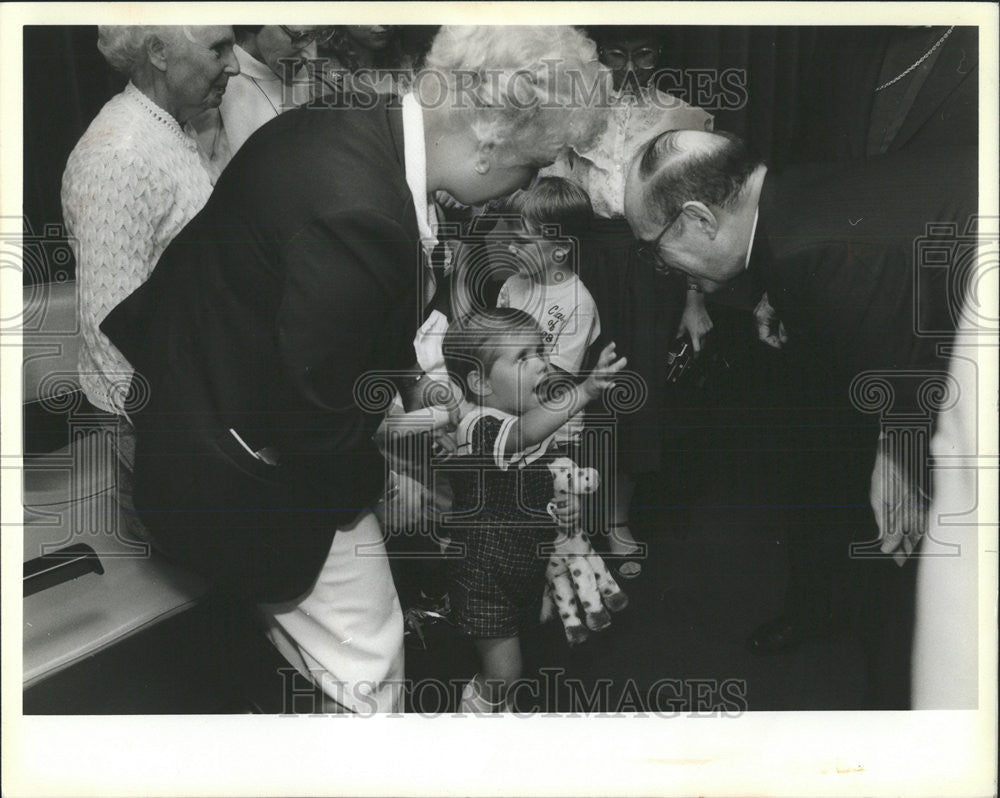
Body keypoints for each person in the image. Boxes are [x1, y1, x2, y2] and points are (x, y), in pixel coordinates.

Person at [100, 25, 610, 713]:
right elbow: (315, 423)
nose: (527, 184)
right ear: (491, 140)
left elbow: (319, 316)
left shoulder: (350, 123)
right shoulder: (358, 208)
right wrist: (393, 477)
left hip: (200, 418)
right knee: (370, 670)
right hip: (244, 475)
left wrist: (401, 380)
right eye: (534, 164)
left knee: (315, 663)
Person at [623, 128, 976, 707]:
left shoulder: (808, 254)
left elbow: (913, 356)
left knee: (924, 564)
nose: (656, 263)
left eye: (651, 244)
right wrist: (777, 296)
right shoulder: (782, 197)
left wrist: (900, 458)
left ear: (700, 220)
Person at [541, 25, 715, 575]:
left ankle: (616, 522)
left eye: (643, 54)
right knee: (575, 384)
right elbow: (550, 195)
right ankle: (571, 527)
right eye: (616, 55)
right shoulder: (574, 113)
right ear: (597, 55)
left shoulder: (685, 118)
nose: (631, 67)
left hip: (653, 267)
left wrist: (694, 298)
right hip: (583, 263)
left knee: (634, 393)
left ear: (661, 52)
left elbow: (699, 220)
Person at [61, 24, 238, 540]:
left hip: (184, 412)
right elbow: (109, 332)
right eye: (217, 48)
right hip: (156, 427)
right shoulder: (120, 155)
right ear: (158, 52)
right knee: (187, 580)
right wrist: (179, 441)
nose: (233, 64)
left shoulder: (167, 128)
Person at [442, 308, 626, 712]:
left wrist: (563, 509)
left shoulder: (523, 418)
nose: (541, 362)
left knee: (526, 649)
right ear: (480, 382)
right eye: (523, 357)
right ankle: (472, 716)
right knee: (504, 673)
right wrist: (587, 390)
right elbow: (523, 438)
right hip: (484, 574)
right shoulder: (478, 425)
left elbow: (543, 471)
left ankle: (499, 705)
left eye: (540, 350)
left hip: (524, 562)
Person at [496, 178, 601, 377]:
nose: (510, 248)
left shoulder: (579, 304)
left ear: (561, 247)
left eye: (521, 241)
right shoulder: (511, 285)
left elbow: (556, 381)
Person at [214, 25, 333, 158]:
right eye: (299, 36)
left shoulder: (299, 70)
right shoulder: (217, 84)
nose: (310, 57)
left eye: (318, 35)